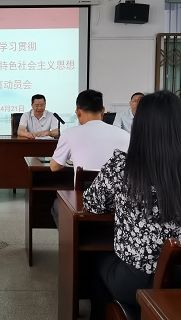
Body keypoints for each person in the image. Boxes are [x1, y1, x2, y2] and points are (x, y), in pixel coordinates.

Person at [83, 90, 181, 319]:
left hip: (139, 280)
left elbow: (93, 203)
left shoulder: (122, 167)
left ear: (140, 127)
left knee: (95, 263)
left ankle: (124, 313)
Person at [49, 89, 130, 225]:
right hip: (121, 202)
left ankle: (72, 236)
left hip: (86, 202)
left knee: (57, 206)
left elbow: (54, 167)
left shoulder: (69, 133)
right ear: (103, 111)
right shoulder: (125, 135)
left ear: (78, 112)